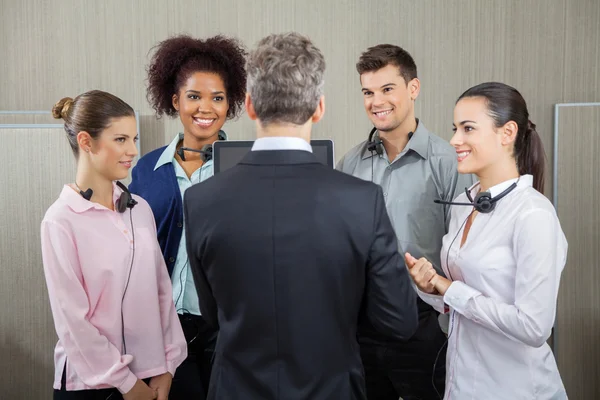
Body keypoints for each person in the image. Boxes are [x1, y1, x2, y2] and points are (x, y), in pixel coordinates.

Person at [183, 32, 418, 400]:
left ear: (249, 106)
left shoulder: (201, 200)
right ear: (319, 107)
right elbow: (399, 322)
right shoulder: (362, 201)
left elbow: (213, 315)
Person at [406, 82, 568, 399]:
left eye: (468, 128)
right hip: (462, 383)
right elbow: (464, 300)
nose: (454, 140)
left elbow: (534, 328)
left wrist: (450, 288)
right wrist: (431, 289)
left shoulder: (533, 215)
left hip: (516, 389)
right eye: (455, 128)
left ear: (506, 133)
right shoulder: (463, 204)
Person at [336, 44, 474, 399]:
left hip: (425, 325)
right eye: (368, 91)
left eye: (387, 89)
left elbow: (466, 252)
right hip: (361, 327)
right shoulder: (349, 165)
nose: (376, 101)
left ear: (413, 89)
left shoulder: (449, 162)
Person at [41, 90, 187, 400]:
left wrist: (167, 366)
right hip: (92, 387)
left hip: (151, 379)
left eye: (134, 139)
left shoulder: (140, 210)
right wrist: (128, 385)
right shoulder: (60, 220)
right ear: (86, 142)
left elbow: (162, 293)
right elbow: (72, 323)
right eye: (121, 140)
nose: (133, 150)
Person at [128, 34, 247, 399]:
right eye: (194, 96)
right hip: (158, 330)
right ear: (176, 100)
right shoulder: (145, 170)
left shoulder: (245, 170)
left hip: (225, 329)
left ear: (230, 104)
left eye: (217, 97)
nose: (205, 108)